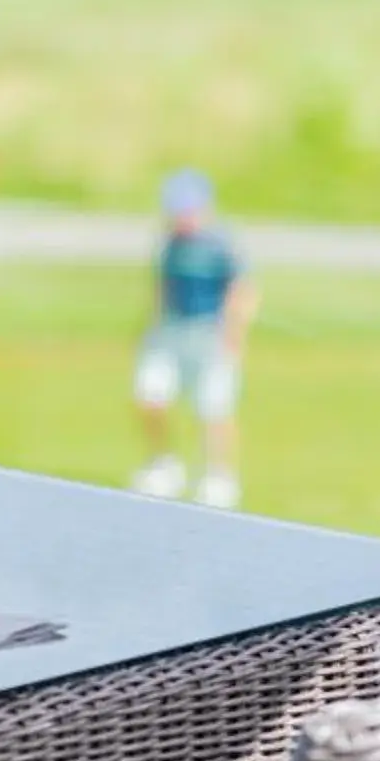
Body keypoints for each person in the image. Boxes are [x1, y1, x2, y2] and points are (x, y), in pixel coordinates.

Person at [129, 169, 258, 509]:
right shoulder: (170, 244)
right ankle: (163, 465)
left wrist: (234, 335)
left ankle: (219, 476)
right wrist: (151, 327)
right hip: (171, 331)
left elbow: (241, 292)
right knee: (150, 396)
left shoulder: (220, 244)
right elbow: (162, 288)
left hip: (209, 333)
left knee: (213, 408)